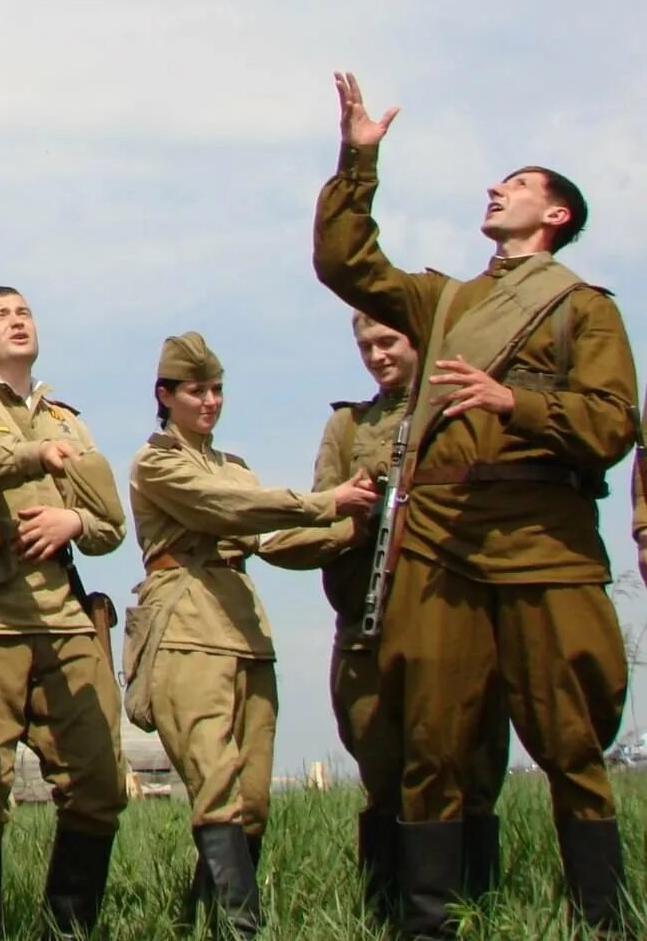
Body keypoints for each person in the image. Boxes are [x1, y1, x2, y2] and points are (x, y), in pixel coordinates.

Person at [314, 73, 640, 937]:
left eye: (519, 184)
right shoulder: (446, 301)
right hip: (440, 543)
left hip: (544, 540)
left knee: (572, 743)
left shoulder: (584, 311)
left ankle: (598, 922)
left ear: (556, 215)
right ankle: (429, 925)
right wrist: (359, 159)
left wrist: (515, 404)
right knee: (431, 741)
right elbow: (347, 264)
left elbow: (613, 423)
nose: (498, 191)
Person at [259, 312, 512, 922]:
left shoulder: (461, 408)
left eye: (388, 342)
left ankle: (475, 913)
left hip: (456, 615)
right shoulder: (349, 425)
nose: (375, 355)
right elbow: (325, 515)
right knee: (381, 765)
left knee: (470, 768)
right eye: (364, 345)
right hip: (371, 620)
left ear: (420, 342)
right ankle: (387, 917)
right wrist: (359, 511)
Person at [126, 332, 377, 939]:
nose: (210, 401)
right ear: (165, 395)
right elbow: (229, 510)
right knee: (217, 790)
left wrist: (353, 526)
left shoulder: (234, 466)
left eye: (216, 390)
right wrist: (325, 501)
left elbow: (270, 538)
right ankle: (244, 929)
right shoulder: (157, 461)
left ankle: (203, 924)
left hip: (245, 631)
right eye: (196, 391)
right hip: (185, 628)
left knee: (254, 803)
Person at [0, 286, 129, 938]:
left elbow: (111, 524)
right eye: (0, 315)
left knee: (100, 786)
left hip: (64, 614)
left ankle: (64, 931)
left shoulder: (68, 418)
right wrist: (33, 455)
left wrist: (76, 519)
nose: (17, 321)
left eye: (25, 312)